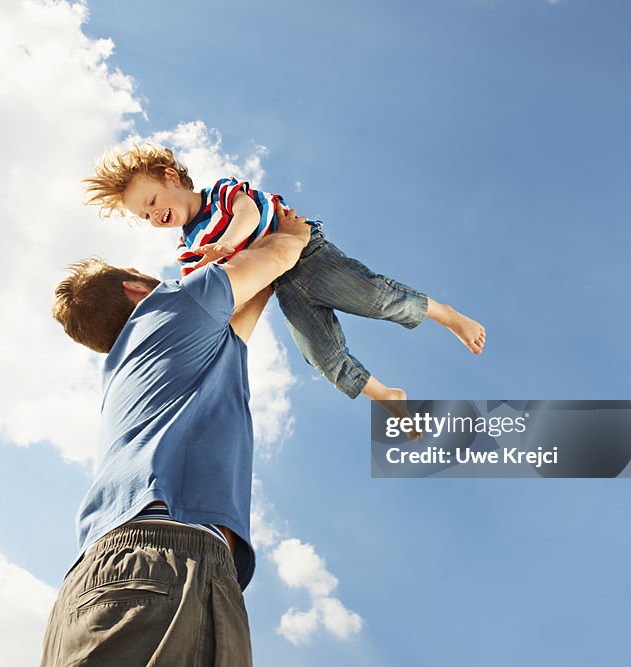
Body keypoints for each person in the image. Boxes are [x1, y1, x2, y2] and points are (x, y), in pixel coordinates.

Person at [39, 205, 311, 666]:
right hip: (164, 564)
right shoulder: (169, 304)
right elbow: (284, 250)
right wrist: (291, 230)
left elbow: (246, 308)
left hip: (90, 590)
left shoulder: (137, 363)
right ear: (135, 289)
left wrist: (250, 270)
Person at [83, 144, 487, 416]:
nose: (154, 216)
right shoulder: (189, 251)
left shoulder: (221, 193)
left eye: (152, 203)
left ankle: (447, 315)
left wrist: (228, 244)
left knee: (373, 297)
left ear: (171, 177)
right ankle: (386, 395)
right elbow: (214, 300)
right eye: (145, 216)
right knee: (321, 355)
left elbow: (251, 215)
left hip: (306, 253)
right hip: (281, 284)